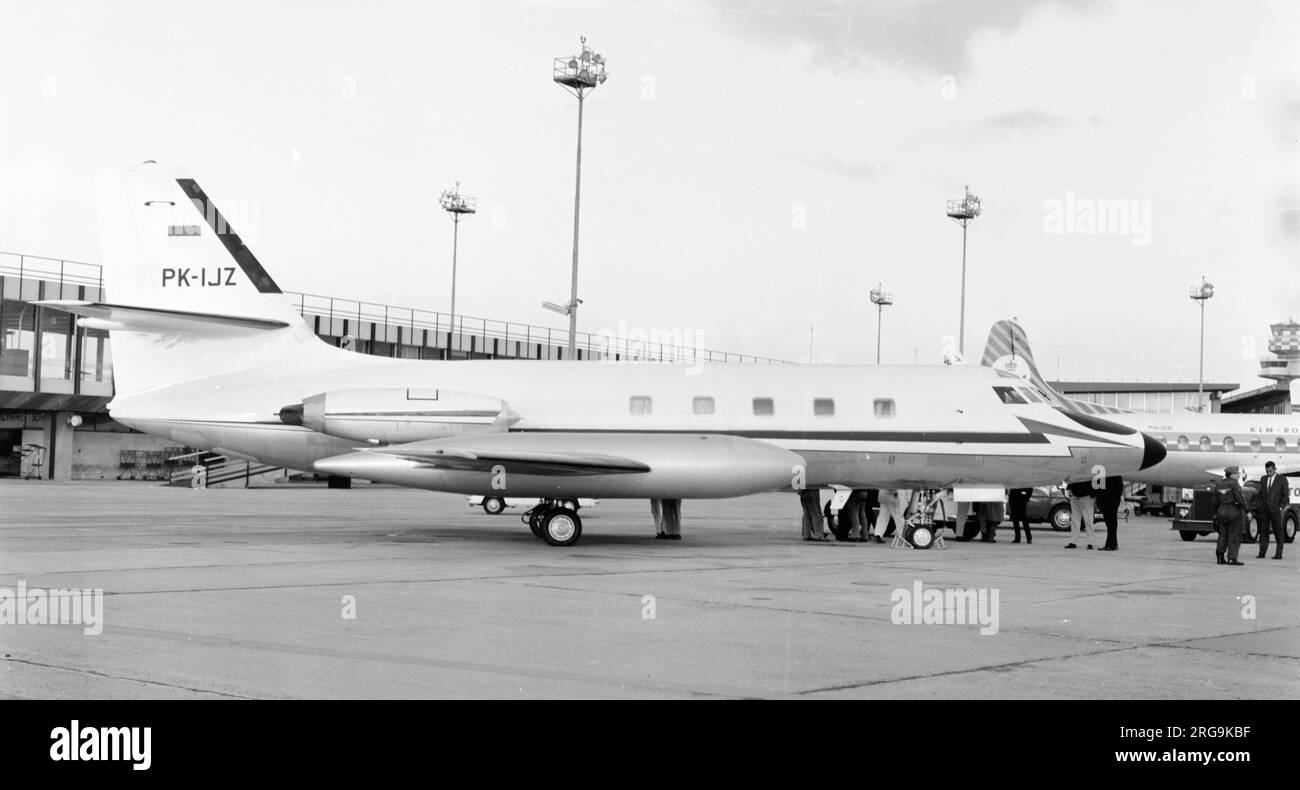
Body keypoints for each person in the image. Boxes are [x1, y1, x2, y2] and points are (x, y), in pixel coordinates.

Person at [1212, 466, 1246, 565]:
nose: (1239, 475)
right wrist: (1246, 510)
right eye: (1237, 474)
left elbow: (1214, 501)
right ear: (1232, 475)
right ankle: (1232, 558)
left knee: (1222, 536)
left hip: (1221, 511)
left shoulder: (1218, 484)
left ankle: (1220, 557)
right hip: (1232, 511)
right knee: (1234, 535)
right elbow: (1239, 499)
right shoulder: (1234, 484)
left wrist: (1217, 513)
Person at [1254, 461, 1289, 560]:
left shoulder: (1282, 479)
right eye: (1267, 471)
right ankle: (1262, 553)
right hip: (1264, 510)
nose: (1268, 472)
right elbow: (1260, 494)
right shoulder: (1263, 479)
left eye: (1270, 471)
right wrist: (1260, 506)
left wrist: (1281, 507)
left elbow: (1285, 495)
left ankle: (1278, 554)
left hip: (1275, 510)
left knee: (1278, 531)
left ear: (1274, 469)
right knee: (1264, 531)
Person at [1094, 475, 1124, 551]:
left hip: (1107, 501)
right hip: (1113, 501)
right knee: (1112, 524)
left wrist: (1098, 502)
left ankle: (1111, 545)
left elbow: (1098, 489)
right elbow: (1120, 489)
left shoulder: (1104, 476)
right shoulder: (1117, 476)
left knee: (1110, 524)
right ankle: (1112, 544)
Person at [1065, 480, 1096, 549]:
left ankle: (1089, 542)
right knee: (1076, 520)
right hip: (1077, 496)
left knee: (1088, 520)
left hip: (1085, 496)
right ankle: (1074, 541)